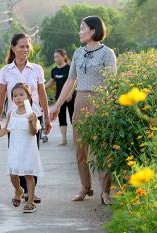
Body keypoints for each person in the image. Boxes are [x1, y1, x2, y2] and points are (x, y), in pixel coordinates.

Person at [50, 16, 117, 205]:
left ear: (93, 31)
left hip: (101, 100)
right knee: (80, 147)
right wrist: (57, 106)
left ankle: (105, 191)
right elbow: (71, 81)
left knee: (102, 147)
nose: (79, 32)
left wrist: (108, 105)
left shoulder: (107, 53)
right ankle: (85, 187)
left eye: (82, 28)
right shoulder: (78, 53)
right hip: (80, 100)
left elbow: (112, 82)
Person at [0, 33, 52, 204]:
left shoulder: (37, 69)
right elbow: (1, 97)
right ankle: (20, 189)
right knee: (17, 154)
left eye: (27, 46)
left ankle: (30, 192)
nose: (25, 49)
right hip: (15, 120)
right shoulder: (5, 71)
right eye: (21, 46)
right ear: (13, 48)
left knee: (32, 155)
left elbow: (42, 95)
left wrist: (47, 118)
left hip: (34, 117)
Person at [0, 83, 43, 213]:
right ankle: (18, 190)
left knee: (29, 175)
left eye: (22, 95)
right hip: (15, 149)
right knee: (13, 174)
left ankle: (30, 202)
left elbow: (34, 132)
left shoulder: (33, 114)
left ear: (29, 97)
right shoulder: (12, 113)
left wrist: (31, 122)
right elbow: (6, 129)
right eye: (15, 95)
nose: (18, 98)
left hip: (28, 149)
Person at [46, 49, 75, 146]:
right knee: (61, 118)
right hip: (59, 98)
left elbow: (74, 81)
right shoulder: (54, 70)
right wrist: (41, 87)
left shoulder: (69, 68)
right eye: (54, 57)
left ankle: (76, 138)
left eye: (57, 56)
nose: (55, 59)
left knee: (73, 118)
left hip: (71, 97)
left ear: (63, 57)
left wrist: (70, 93)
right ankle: (64, 139)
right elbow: (51, 81)